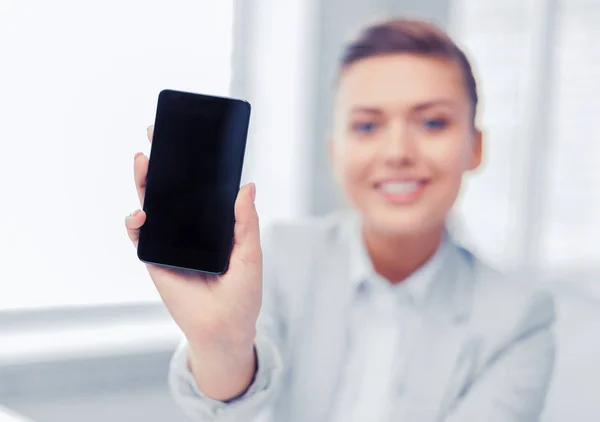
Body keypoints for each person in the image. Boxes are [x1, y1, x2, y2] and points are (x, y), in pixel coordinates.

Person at [125, 18, 555, 422]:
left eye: (432, 121)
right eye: (367, 126)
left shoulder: (519, 319)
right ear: (335, 152)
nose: (398, 152)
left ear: (475, 147)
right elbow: (230, 405)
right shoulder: (283, 257)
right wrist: (223, 342)